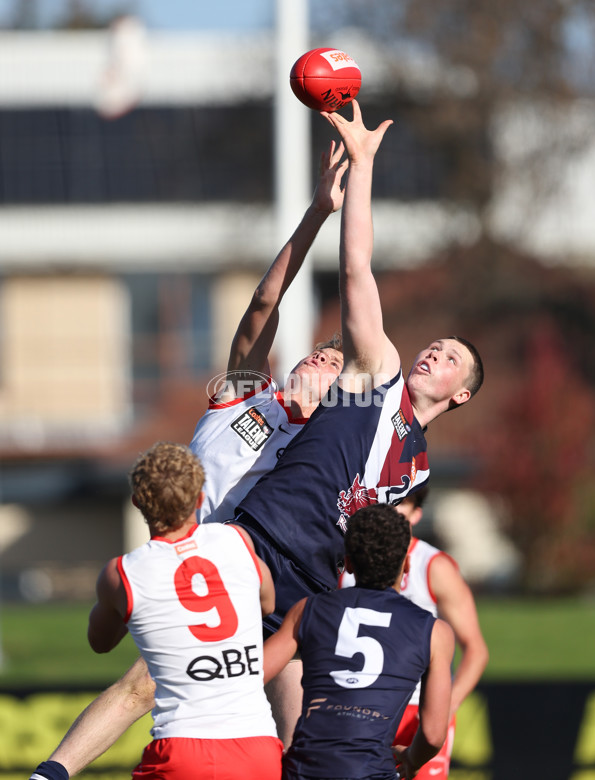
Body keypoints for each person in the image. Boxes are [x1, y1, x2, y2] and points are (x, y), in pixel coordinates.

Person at [30, 103, 484, 778]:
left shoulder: (410, 462)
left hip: (299, 583)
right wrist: (354, 178)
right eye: (436, 344)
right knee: (145, 684)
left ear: (463, 394)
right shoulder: (328, 384)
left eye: (450, 358)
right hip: (235, 549)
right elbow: (343, 277)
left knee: (295, 719)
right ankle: (53, 770)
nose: (433, 354)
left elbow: (369, 533)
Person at [29, 142, 348, 780]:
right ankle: (52, 772)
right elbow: (263, 306)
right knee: (143, 686)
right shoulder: (246, 393)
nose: (322, 357)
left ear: (348, 386)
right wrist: (317, 214)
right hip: (186, 554)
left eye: (339, 361)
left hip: (246, 565)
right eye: (321, 350)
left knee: (282, 689)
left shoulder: (324, 444)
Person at [92, 441, 281, 780]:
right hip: (259, 747)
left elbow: (100, 643)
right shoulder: (237, 540)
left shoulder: (123, 573)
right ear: (198, 498)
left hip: (183, 748)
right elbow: (267, 603)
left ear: (137, 502)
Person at [262, 503, 455, 780]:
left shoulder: (307, 610)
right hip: (371, 772)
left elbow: (250, 676)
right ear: (407, 563)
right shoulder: (435, 632)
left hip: (304, 771)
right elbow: (434, 735)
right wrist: (411, 760)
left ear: (348, 562)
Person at [340, 488, 489, 780]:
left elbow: (476, 650)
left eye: (400, 504)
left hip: (419, 708)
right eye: (385, 501)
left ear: (417, 513)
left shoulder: (433, 566)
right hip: (359, 705)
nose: (390, 510)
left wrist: (446, 706)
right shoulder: (348, 564)